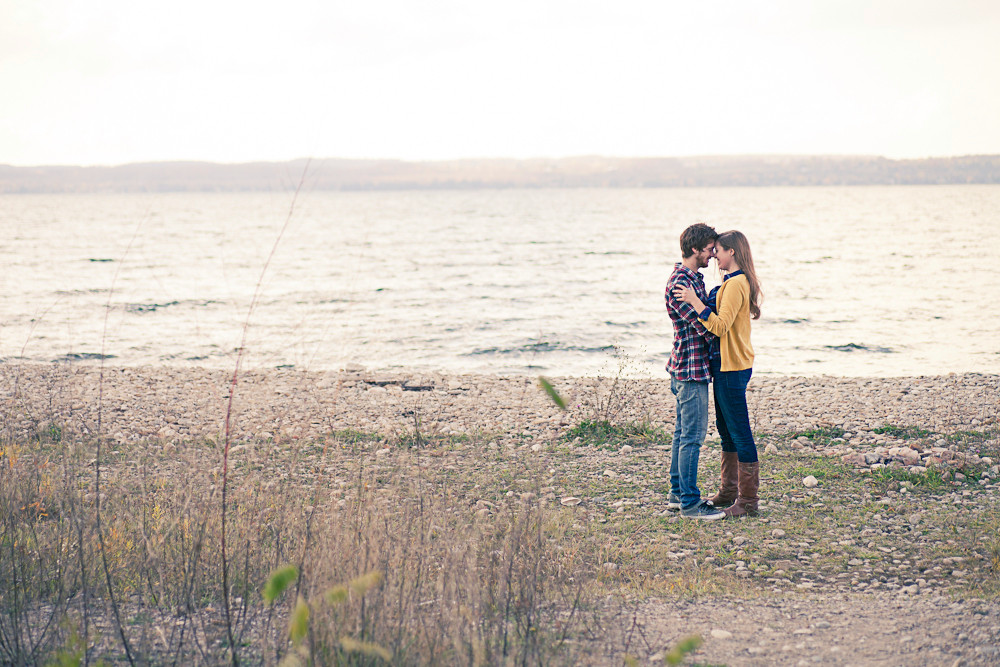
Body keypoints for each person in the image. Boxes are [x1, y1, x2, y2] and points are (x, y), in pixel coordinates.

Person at [674, 230, 762, 518]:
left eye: (719, 251)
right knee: (726, 431)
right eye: (712, 251)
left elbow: (721, 327)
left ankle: (747, 501)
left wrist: (695, 302)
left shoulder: (736, 284)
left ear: (732, 253)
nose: (715, 256)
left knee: (739, 432)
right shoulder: (729, 282)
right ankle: (728, 491)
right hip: (725, 366)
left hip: (732, 366)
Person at [664, 223, 724, 520]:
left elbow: (704, 314)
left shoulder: (693, 280)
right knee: (692, 437)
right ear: (695, 249)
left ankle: (678, 493)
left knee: (681, 433)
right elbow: (705, 328)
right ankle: (690, 503)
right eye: (710, 249)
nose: (713, 255)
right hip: (690, 370)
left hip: (688, 366)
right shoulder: (681, 284)